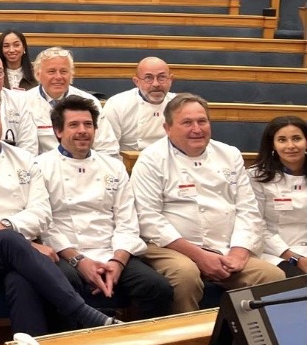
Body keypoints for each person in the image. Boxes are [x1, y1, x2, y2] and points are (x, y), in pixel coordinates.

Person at [0, 91, 118, 335]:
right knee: (8, 239)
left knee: (20, 279)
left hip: (20, 248)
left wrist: (9, 227)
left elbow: (42, 213)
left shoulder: (23, 157)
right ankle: (82, 312)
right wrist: (28, 243)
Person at [132, 94, 285, 312]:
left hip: (225, 248)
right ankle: (186, 342)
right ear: (167, 128)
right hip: (169, 247)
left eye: (202, 121)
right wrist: (200, 256)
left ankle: (252, 341)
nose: (197, 129)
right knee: (186, 275)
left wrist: (238, 253)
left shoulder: (229, 154)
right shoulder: (151, 159)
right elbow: (148, 218)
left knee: (273, 277)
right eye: (187, 123)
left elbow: (248, 210)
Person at [35, 96, 173, 318]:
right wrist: (79, 261)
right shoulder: (40, 166)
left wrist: (117, 262)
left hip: (111, 249)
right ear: (58, 131)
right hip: (66, 251)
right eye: (74, 125)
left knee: (157, 287)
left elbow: (127, 221)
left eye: (88, 125)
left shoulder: (114, 167)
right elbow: (44, 225)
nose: (83, 131)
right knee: (64, 284)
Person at [21, 47, 117, 156]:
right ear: (38, 75)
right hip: (41, 168)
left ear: (71, 74)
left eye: (64, 71)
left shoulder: (89, 102)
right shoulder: (23, 102)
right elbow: (25, 151)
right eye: (51, 71)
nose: (58, 77)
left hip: (83, 165)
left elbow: (107, 148)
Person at [249, 116, 307, 278]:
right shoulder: (256, 176)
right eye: (282, 140)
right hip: (276, 253)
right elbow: (257, 225)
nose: (291, 146)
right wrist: (295, 258)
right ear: (272, 145)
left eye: (297, 138)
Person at [101, 56, 176, 154]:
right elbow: (107, 149)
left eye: (162, 77)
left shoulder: (179, 105)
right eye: (148, 78)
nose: (156, 84)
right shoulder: (117, 104)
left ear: (170, 80)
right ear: (137, 82)